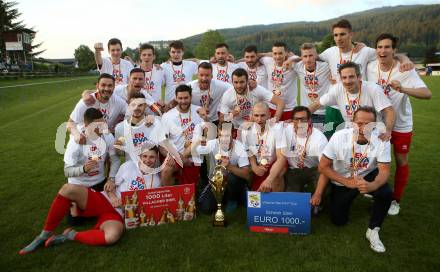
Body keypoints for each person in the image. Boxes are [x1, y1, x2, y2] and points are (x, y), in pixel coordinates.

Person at [19, 109, 124, 254]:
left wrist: (111, 178)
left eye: (103, 124)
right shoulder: (77, 142)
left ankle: (80, 219)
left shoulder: (107, 137)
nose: (102, 129)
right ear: (86, 126)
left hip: (99, 184)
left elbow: (116, 159)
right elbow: (67, 171)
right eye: (98, 127)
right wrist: (82, 169)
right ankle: (45, 233)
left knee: (104, 210)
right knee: (74, 217)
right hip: (79, 186)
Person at [367, 33, 432, 215]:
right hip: (379, 123)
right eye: (379, 47)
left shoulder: (404, 70)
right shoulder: (370, 67)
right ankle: (378, 192)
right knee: (374, 159)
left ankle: (396, 200)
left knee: (401, 160)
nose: (383, 50)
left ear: (394, 50)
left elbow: (427, 94)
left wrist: (402, 88)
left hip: (401, 124)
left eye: (387, 47)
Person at [319, 19, 413, 138]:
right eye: (336, 35)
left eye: (342, 34)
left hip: (358, 104)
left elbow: (388, 54)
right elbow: (310, 58)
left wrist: (405, 59)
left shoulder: (365, 51)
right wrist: (291, 58)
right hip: (333, 105)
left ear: (351, 35)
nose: (339, 38)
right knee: (329, 134)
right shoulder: (329, 52)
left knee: (356, 138)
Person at [318, 106, 393, 253]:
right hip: (343, 178)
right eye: (359, 123)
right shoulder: (339, 136)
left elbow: (384, 171)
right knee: (338, 220)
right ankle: (356, 193)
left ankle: (373, 230)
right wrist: (347, 182)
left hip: (368, 174)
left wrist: (374, 185)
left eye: (369, 124)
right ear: (352, 123)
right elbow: (323, 167)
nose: (363, 128)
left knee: (385, 192)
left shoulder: (382, 139)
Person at [309, 62, 395, 142]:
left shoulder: (373, 89)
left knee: (374, 157)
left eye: (351, 77)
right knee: (335, 148)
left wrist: (387, 131)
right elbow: (316, 104)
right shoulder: (337, 89)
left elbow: (389, 110)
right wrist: (299, 118)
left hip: (373, 132)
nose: (347, 81)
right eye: (344, 77)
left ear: (359, 77)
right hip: (351, 132)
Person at [197, 122, 250, 213]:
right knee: (206, 209)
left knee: (233, 180)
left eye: (227, 136)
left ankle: (232, 199)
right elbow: (191, 151)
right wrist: (197, 142)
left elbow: (247, 175)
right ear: (218, 134)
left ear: (233, 134)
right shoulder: (212, 144)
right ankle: (225, 197)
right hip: (215, 182)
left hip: (233, 182)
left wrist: (229, 166)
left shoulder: (240, 147)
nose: (223, 139)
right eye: (221, 135)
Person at [160, 85, 207, 185]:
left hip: (194, 156)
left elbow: (207, 135)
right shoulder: (168, 116)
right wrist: (173, 156)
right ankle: (171, 198)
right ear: (176, 98)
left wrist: (206, 119)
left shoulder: (199, 111)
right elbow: (162, 143)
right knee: (165, 171)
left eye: (186, 98)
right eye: (180, 98)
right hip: (175, 155)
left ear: (191, 97)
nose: (183, 101)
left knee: (188, 191)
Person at [278, 106, 328, 195]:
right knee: (291, 197)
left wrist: (318, 195)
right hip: (293, 170)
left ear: (309, 120)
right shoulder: (284, 130)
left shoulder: (320, 138)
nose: (299, 123)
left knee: (324, 189)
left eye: (303, 119)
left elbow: (325, 167)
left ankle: (319, 207)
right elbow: (264, 123)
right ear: (292, 120)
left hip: (315, 169)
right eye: (296, 119)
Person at [218, 68, 284, 135]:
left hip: (255, 127)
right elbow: (222, 119)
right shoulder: (227, 95)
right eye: (236, 82)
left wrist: (274, 121)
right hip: (235, 127)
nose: (239, 86)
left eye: (242, 82)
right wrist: (231, 115)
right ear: (232, 82)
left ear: (247, 81)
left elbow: (280, 103)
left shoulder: (256, 90)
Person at [240, 102, 285, 192]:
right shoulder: (245, 130)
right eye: (256, 115)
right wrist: (254, 167)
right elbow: (249, 151)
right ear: (252, 116)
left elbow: (281, 158)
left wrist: (269, 179)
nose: (259, 119)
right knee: (247, 174)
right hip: (258, 164)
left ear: (269, 115)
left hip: (274, 163)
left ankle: (276, 202)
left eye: (262, 115)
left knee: (278, 174)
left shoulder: (278, 129)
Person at [68, 74, 127, 140]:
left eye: (110, 86)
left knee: (119, 146)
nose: (106, 89)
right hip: (85, 137)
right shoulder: (86, 101)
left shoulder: (119, 102)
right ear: (97, 86)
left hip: (105, 138)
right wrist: (77, 135)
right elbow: (70, 123)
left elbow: (132, 114)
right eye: (103, 85)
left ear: (114, 87)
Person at [114, 93, 167, 161]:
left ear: (145, 106)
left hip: (152, 168)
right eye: (133, 105)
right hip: (132, 168)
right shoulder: (120, 128)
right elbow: (122, 153)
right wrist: (118, 149)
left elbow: (163, 147)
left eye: (140, 105)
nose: (136, 108)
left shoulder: (155, 123)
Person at [259, 42, 298, 121]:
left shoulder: (293, 62)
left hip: (289, 109)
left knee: (289, 133)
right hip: (271, 107)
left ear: (286, 53)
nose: (277, 56)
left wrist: (293, 59)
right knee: (271, 132)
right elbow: (255, 56)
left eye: (280, 53)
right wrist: (234, 61)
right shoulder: (267, 60)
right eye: (275, 53)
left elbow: (305, 59)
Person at [293, 43, 331, 125]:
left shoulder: (326, 66)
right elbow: (283, 56)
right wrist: (290, 60)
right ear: (301, 57)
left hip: (325, 113)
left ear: (316, 56)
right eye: (305, 56)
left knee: (326, 137)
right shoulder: (297, 66)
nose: (308, 59)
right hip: (307, 113)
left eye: (311, 55)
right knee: (307, 137)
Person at [161, 41, 198, 107]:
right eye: (173, 52)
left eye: (178, 52)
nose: (176, 54)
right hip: (170, 103)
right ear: (169, 53)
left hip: (186, 102)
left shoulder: (191, 65)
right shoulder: (163, 66)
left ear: (183, 52)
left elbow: (204, 64)